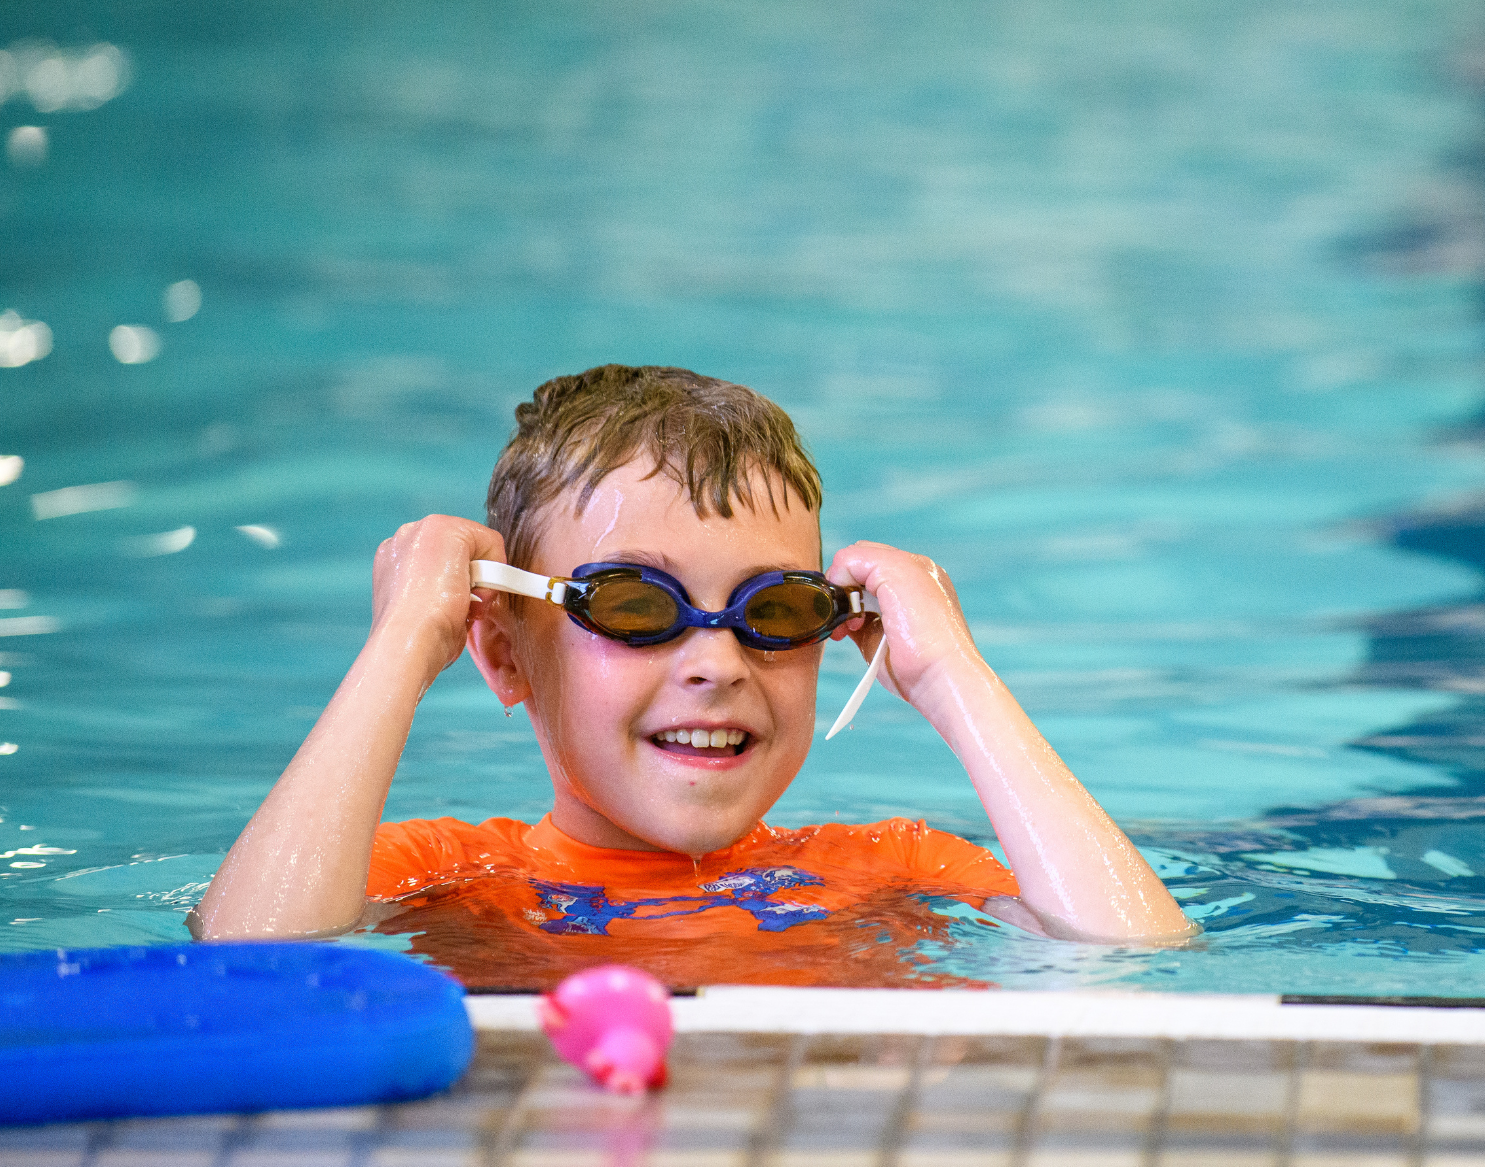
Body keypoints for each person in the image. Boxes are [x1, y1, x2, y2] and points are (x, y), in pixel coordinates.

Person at [191, 365, 1194, 986]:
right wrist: (401, 644)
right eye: (634, 607)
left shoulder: (893, 876)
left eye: (777, 613)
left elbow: (1135, 969)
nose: (716, 663)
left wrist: (951, 675)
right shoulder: (453, 883)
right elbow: (249, 973)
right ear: (504, 652)